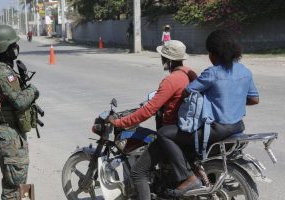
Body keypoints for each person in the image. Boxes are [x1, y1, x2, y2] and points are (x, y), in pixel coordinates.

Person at [157, 29, 260, 197]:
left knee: (165, 133)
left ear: (214, 54)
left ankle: (187, 178)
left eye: (209, 53)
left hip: (216, 129)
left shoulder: (212, 73)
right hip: (237, 127)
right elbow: (254, 100)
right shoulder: (244, 71)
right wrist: (232, 99)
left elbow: (187, 92)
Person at [108, 40, 197, 200]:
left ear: (166, 59)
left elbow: (149, 110)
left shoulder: (171, 80)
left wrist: (121, 122)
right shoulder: (190, 73)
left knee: (138, 173)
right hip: (187, 130)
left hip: (171, 132)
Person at [0, 24, 40, 199]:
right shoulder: (2, 74)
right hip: (7, 134)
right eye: (12, 46)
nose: (16, 49)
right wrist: (33, 90)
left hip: (10, 132)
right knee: (14, 186)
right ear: (5, 48)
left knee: (18, 182)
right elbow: (20, 102)